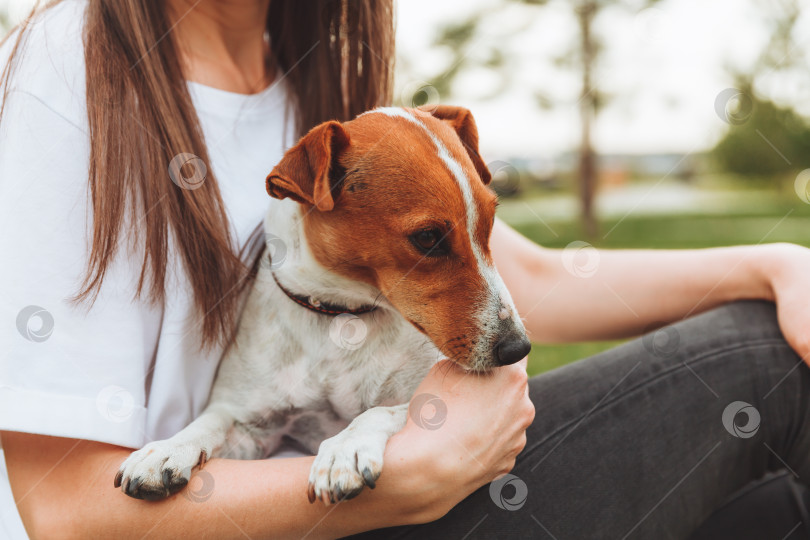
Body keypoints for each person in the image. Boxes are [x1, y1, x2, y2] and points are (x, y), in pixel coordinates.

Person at [1, 1, 810, 538]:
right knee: (761, 366)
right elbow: (66, 514)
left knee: (768, 507)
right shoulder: (73, 66)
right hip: (313, 515)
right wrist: (406, 477)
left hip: (412, 486)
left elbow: (532, 277)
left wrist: (774, 263)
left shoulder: (317, 74)